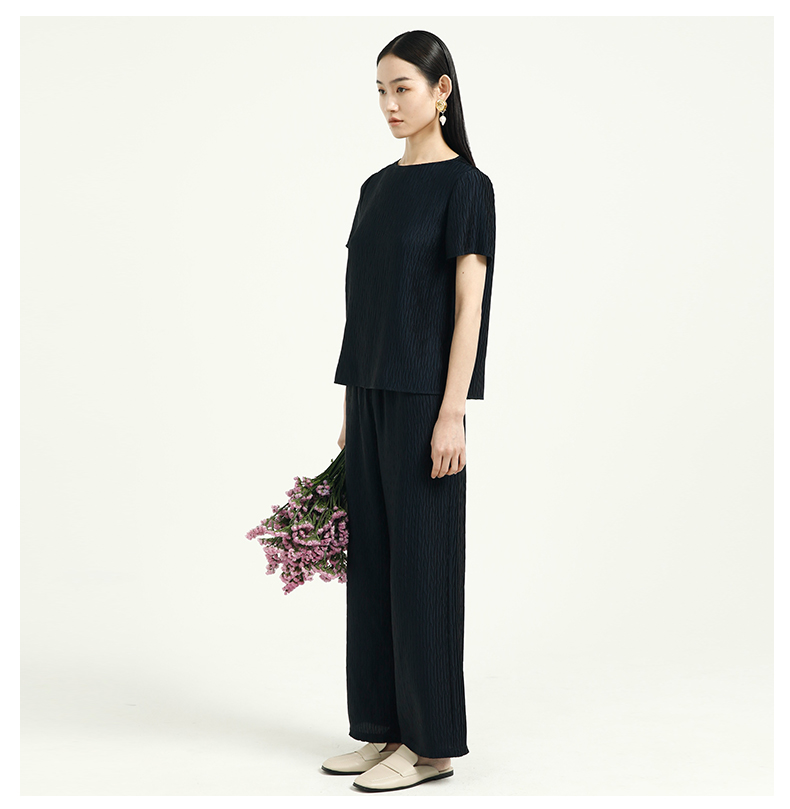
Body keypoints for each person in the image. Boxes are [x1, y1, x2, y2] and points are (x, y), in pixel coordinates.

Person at [321, 29, 496, 793]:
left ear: (441, 91)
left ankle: (431, 746)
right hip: (369, 392)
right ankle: (384, 728)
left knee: (424, 568)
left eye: (404, 88)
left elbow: (468, 306)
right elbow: (364, 302)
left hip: (428, 397)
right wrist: (351, 402)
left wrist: (452, 411)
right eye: (382, 91)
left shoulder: (467, 186)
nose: (390, 104)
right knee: (375, 567)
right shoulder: (375, 188)